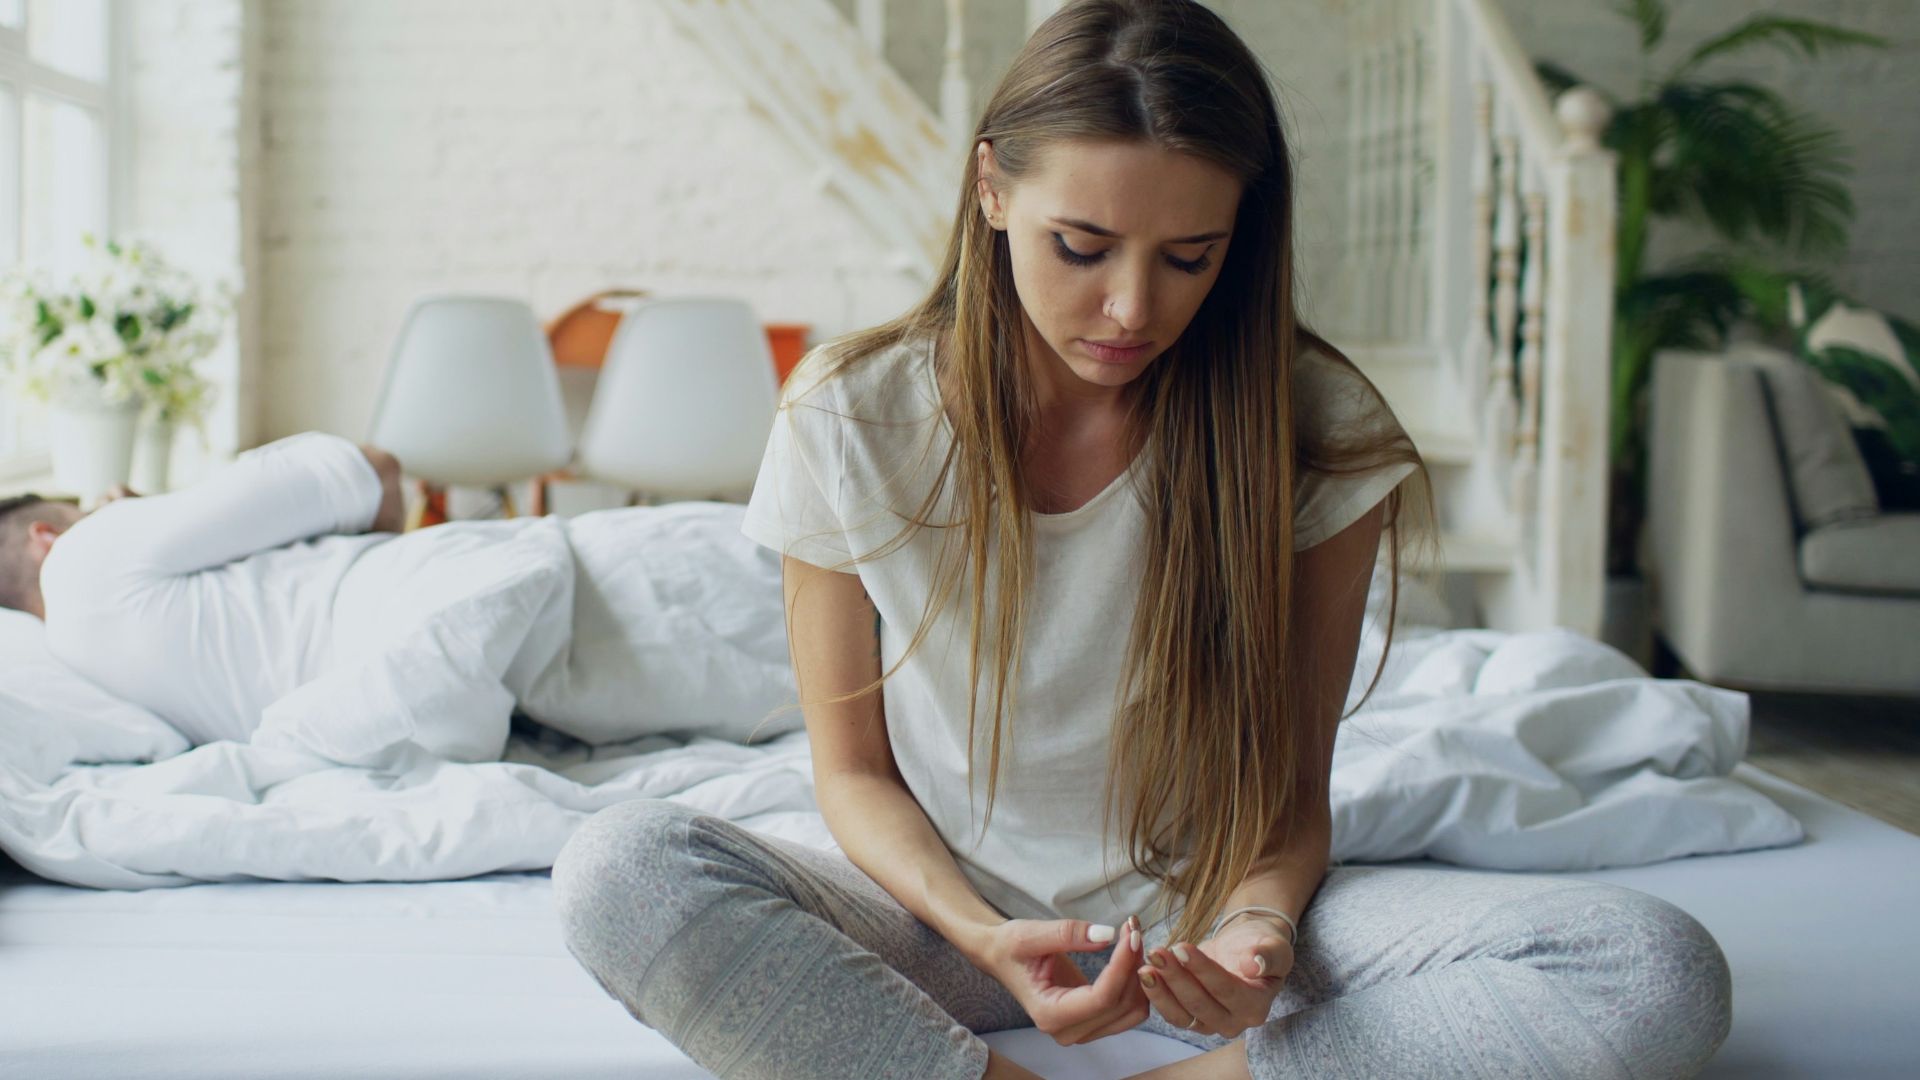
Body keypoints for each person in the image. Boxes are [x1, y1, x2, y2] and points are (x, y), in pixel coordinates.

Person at [551, 2, 1733, 1078]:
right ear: (991, 189)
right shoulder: (852, 415)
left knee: (1651, 971)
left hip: (1200, 939)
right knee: (621, 872)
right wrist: (987, 934)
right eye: (1082, 246)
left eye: (1188, 259)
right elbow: (852, 776)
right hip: (943, 921)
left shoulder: (1319, 429)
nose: (1132, 309)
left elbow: (1291, 797)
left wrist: (1259, 935)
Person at [0, 432, 795, 754]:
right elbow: (369, 469)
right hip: (514, 592)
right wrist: (133, 510)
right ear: (45, 536)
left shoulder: (78, 671)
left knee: (788, 685)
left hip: (512, 701)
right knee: (794, 584)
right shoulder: (83, 558)